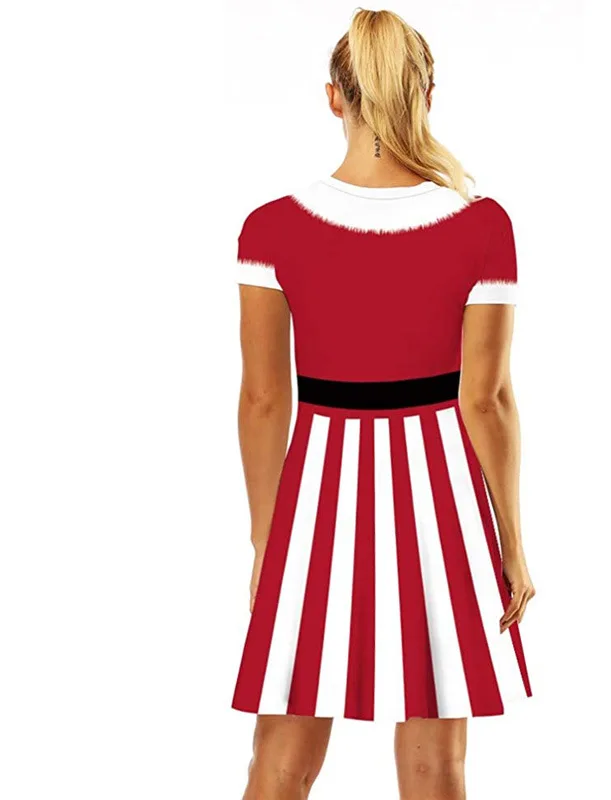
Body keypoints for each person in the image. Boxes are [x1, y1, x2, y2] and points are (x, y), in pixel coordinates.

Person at [231, 9, 535, 799]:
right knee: (436, 765)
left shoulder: (270, 228)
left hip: (318, 491)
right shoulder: (482, 226)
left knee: (280, 760)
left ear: (334, 97)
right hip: (441, 492)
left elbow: (263, 400)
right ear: (427, 93)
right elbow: (487, 401)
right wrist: (510, 540)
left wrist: (267, 539)